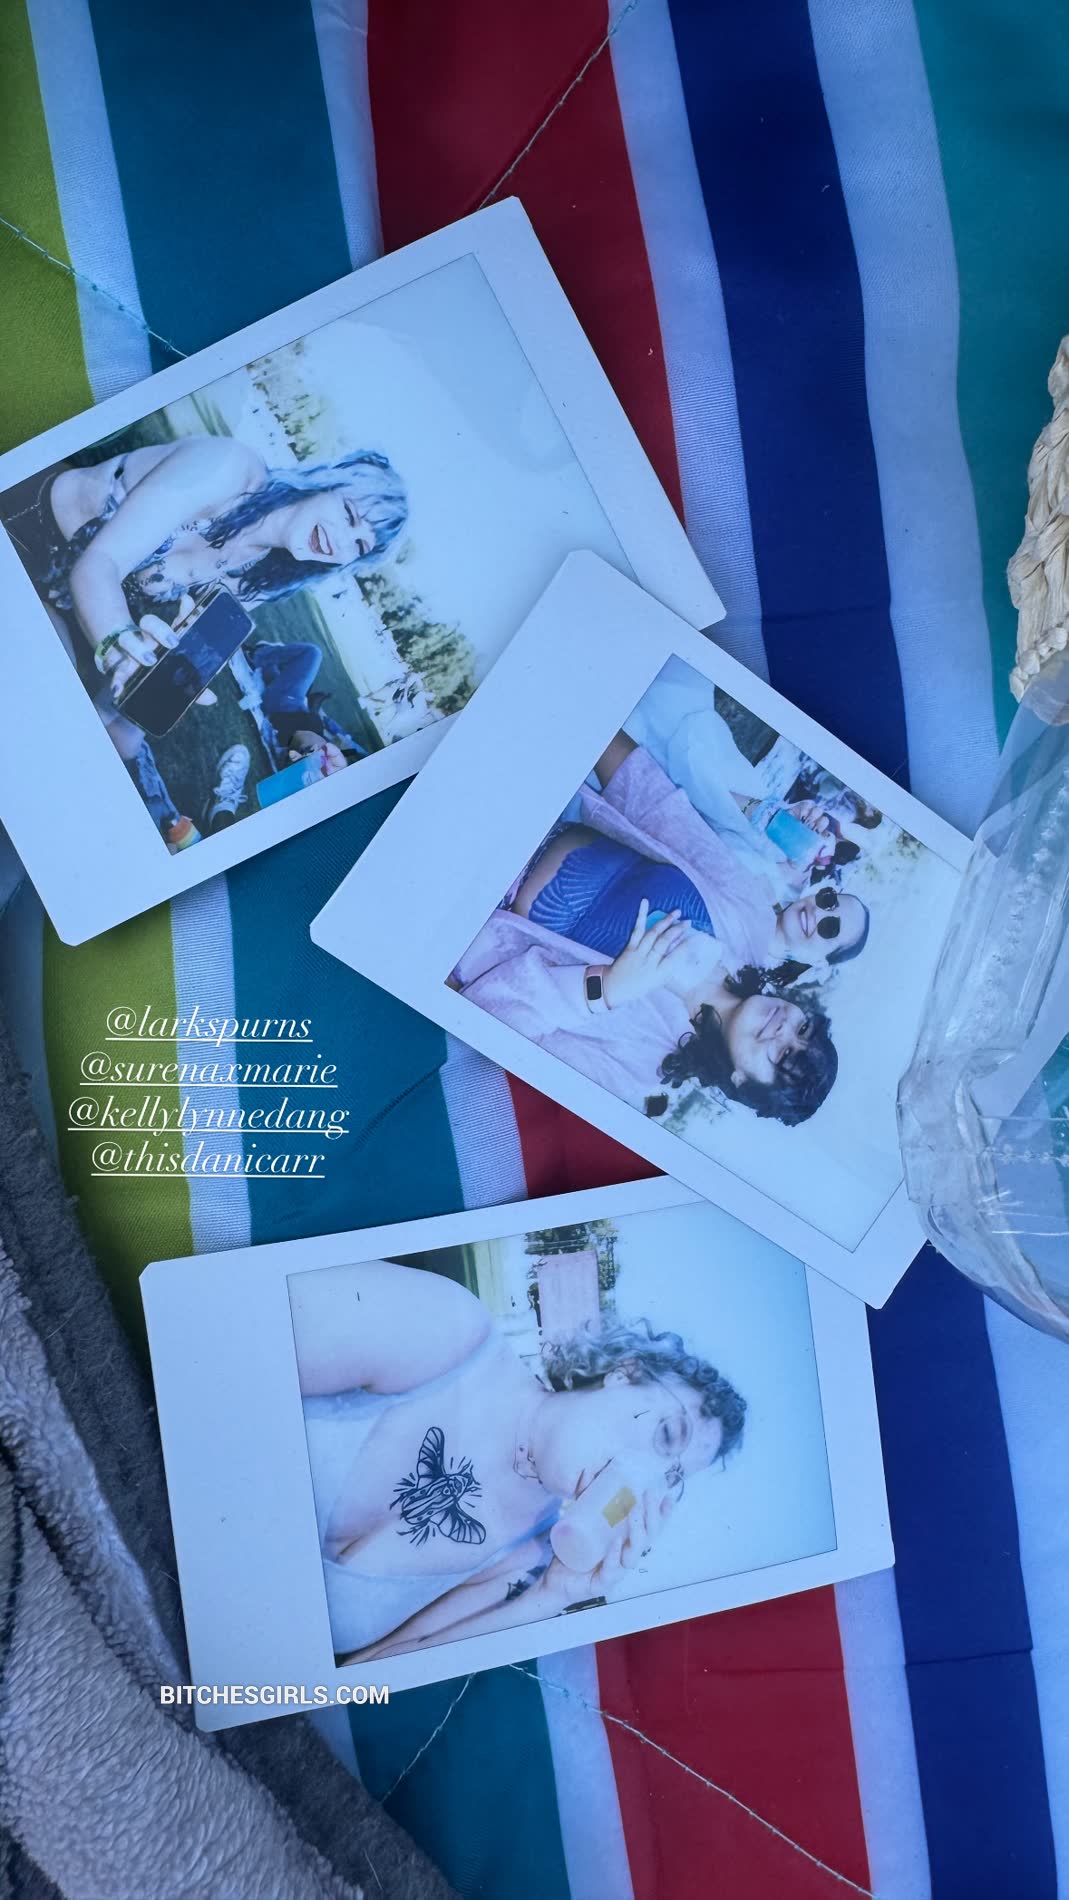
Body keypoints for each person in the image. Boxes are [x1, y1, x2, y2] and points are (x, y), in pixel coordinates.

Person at [290, 1260, 745, 1664]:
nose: (639, 1473)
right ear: (626, 1374)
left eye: (667, 1477)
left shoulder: (526, 1561)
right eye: (667, 1434)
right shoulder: (450, 1332)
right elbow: (252, 1331)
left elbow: (357, 1680)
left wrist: (549, 1597)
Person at [1, 436, 406, 839]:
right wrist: (121, 647)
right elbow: (99, 565)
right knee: (44, 691)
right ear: (323, 483)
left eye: (359, 545)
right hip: (24, 534)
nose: (342, 542)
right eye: (349, 514)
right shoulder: (230, 467)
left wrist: (156, 682)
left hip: (68, 610)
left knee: (122, 738)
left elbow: (178, 644)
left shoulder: (266, 574)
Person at [453, 732, 847, 1126]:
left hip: (460, 907)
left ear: (741, 1082)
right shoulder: (751, 921)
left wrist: (606, 990)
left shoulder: (636, 1069)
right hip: (526, 807)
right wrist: (589, 725)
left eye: (783, 1055)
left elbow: (484, 1030)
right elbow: (658, 807)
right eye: (803, 1028)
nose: (783, 1028)